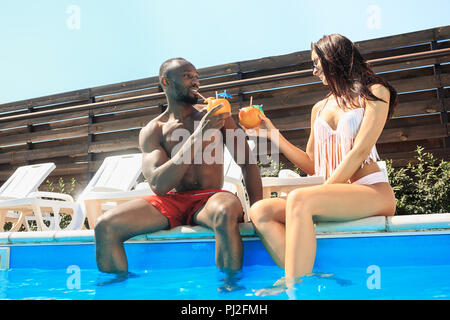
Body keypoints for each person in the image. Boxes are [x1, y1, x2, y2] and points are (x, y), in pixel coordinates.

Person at [246, 34, 398, 288]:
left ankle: (292, 286)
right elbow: (312, 164)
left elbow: (360, 151)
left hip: (372, 192)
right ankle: (305, 273)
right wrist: (271, 133)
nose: (314, 70)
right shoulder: (320, 108)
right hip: (333, 196)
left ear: (333, 59)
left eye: (317, 62)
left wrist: (322, 190)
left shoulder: (374, 93)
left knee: (300, 199)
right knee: (260, 211)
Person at [94, 57, 262, 279]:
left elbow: (247, 163)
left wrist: (258, 211)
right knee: (105, 226)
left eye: (196, 77)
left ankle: (230, 291)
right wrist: (199, 135)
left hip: (210, 198)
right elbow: (159, 185)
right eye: (187, 76)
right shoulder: (154, 130)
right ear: (166, 81)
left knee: (224, 212)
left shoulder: (216, 116)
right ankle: (120, 291)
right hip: (173, 200)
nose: (195, 82)